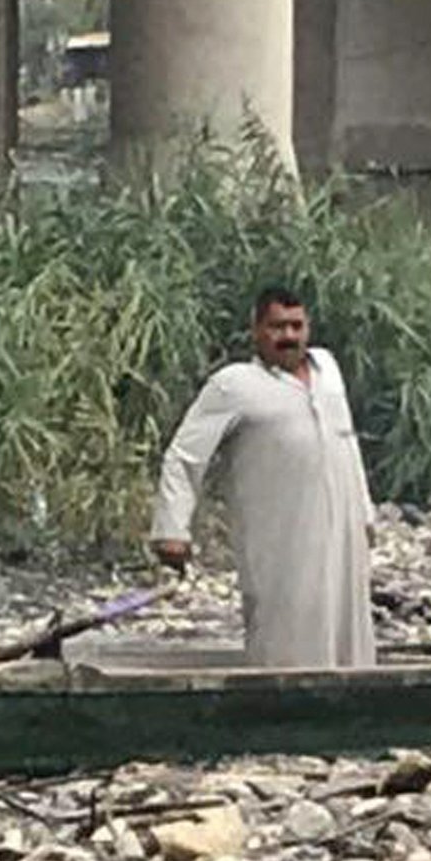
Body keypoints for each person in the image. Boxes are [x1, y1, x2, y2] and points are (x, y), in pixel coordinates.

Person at [148, 286, 377, 669]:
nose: (288, 336)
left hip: (344, 533)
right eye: (276, 327)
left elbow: (346, 441)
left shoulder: (328, 369)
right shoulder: (234, 385)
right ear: (256, 330)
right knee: (285, 631)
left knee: (348, 627)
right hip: (279, 539)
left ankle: (354, 709)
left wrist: (365, 512)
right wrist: (172, 530)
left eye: (296, 326)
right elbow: (184, 456)